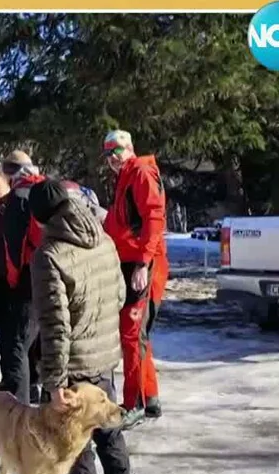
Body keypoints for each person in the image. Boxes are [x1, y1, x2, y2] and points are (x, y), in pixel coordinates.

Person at [27, 179, 137, 474]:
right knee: (109, 429)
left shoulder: (49, 254)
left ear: (41, 219)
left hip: (73, 364)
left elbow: (55, 326)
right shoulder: (103, 238)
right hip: (105, 353)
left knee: (74, 442)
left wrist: (55, 381)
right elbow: (121, 293)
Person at [101, 130, 168, 428]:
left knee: (131, 335)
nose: (112, 159)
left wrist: (142, 263)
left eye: (117, 151)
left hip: (141, 263)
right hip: (130, 260)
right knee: (137, 335)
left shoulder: (139, 171)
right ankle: (149, 396)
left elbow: (154, 217)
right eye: (108, 154)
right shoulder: (125, 175)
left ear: (129, 149)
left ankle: (134, 403)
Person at [0, 150, 46, 404]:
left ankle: (21, 409)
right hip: (54, 272)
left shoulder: (18, 196)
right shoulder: (45, 187)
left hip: (29, 276)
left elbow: (14, 247)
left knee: (18, 345)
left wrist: (13, 280)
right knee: (46, 340)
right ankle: (44, 398)